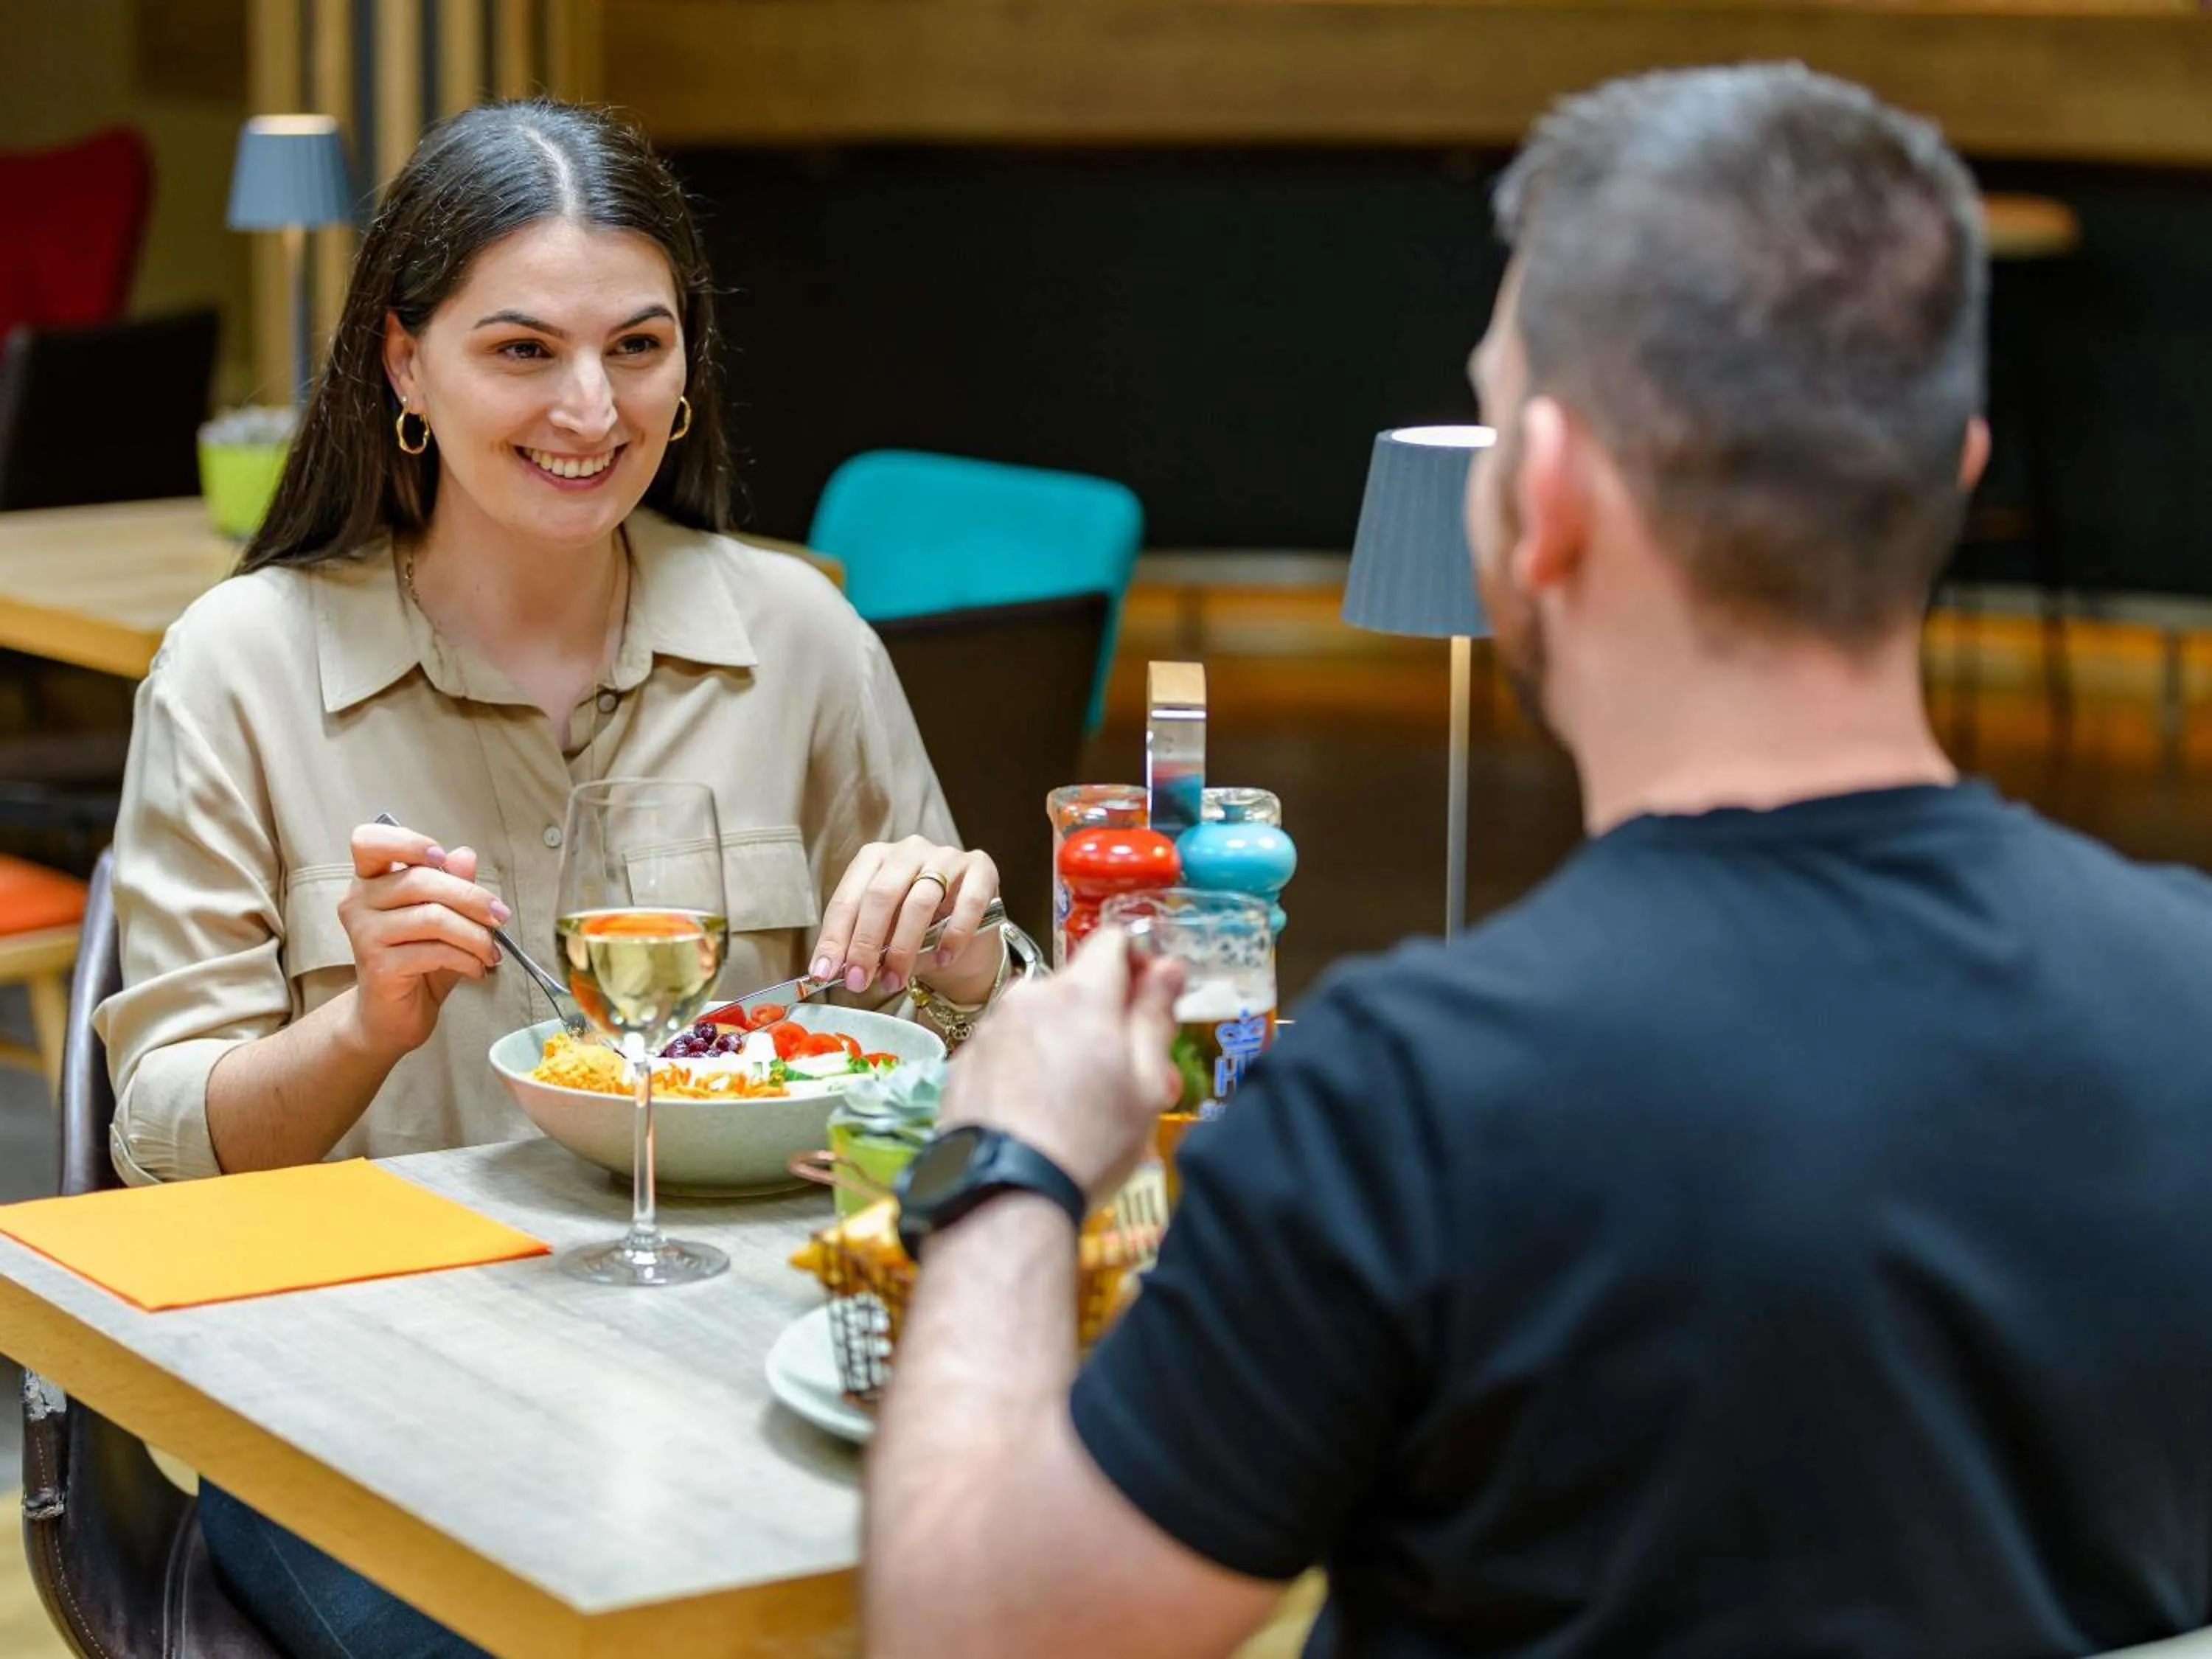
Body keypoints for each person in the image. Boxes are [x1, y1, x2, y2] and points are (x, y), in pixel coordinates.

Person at [865, 64, 2212, 1659]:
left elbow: (969, 1634)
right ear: (1953, 471)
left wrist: (1010, 1158)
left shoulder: (1410, 1108)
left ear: (1548, 500)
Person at [97, 100, 1009, 1658]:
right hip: (354, 1413)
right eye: (522, 350)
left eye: (639, 347)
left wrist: (980, 974)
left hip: (744, 1377)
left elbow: (983, 1099)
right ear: (403, 362)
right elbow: (161, 1165)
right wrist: (362, 1026)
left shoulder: (801, 636)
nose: (592, 407)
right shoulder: (236, 669)